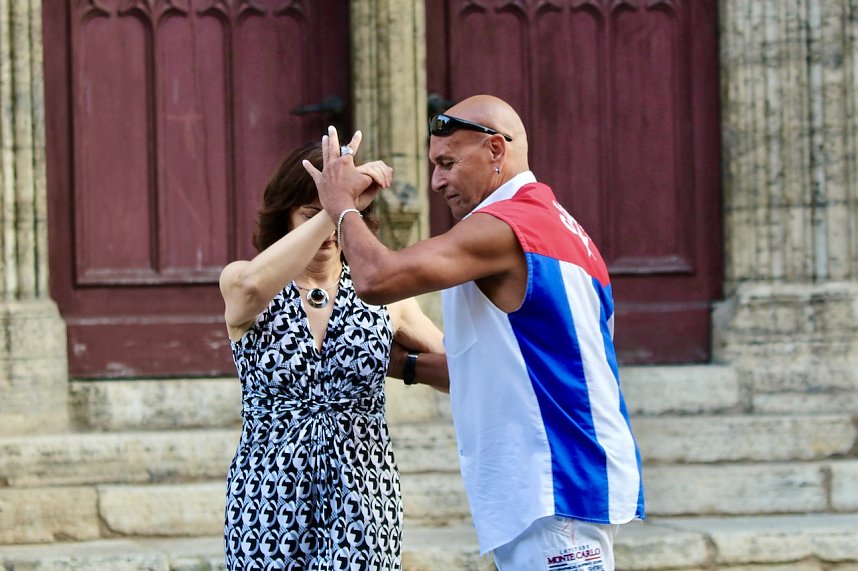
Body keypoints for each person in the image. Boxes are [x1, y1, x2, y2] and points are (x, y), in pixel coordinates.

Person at [303, 95, 645, 570]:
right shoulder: (564, 229)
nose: (436, 181)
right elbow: (514, 368)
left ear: (496, 152)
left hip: (553, 483)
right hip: (565, 477)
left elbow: (377, 280)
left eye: (447, 163)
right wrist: (403, 365)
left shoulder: (507, 226)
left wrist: (339, 204)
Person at [218, 135, 444, 570]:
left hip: (363, 498)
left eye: (345, 214)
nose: (329, 228)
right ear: (285, 217)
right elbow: (247, 290)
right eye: (309, 213)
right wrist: (335, 205)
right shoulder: (248, 280)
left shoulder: (383, 295)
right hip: (267, 497)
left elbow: (459, 367)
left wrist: (409, 367)